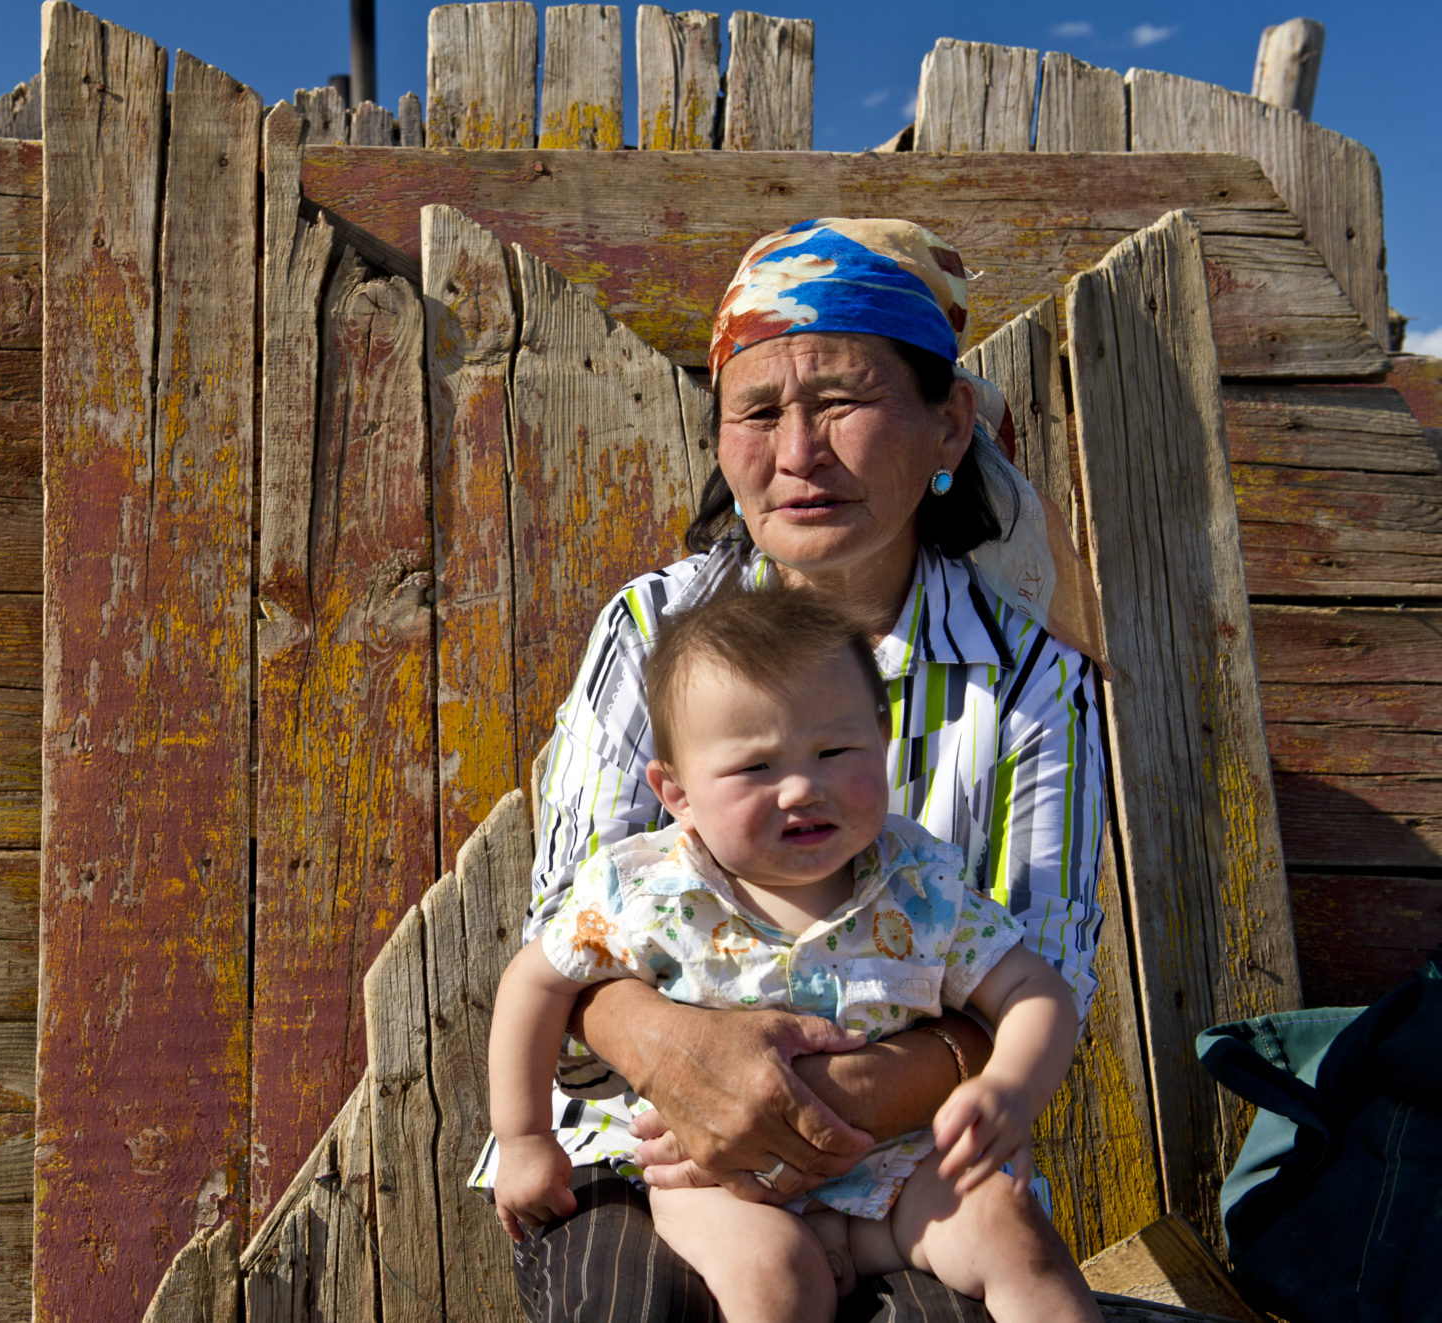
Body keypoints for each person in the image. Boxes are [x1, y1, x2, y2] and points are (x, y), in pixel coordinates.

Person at [467, 218, 1111, 1319]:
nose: (798, 451)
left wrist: (816, 1102)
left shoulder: (1028, 683)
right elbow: (563, 932)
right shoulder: (655, 625)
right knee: (632, 1301)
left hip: (905, 1159)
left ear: (946, 423)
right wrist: (680, 1054)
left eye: (842, 403)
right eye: (758, 410)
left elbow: (1038, 969)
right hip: (654, 1152)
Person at [486, 582, 1102, 1322]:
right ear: (676, 792)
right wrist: (522, 1136)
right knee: (777, 1281)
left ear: (882, 736)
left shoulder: (919, 882)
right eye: (756, 768)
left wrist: (1009, 1083)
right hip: (720, 1182)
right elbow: (535, 983)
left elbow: (1034, 987)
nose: (802, 787)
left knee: (1010, 1226)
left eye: (836, 750)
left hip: (896, 1176)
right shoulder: (648, 888)